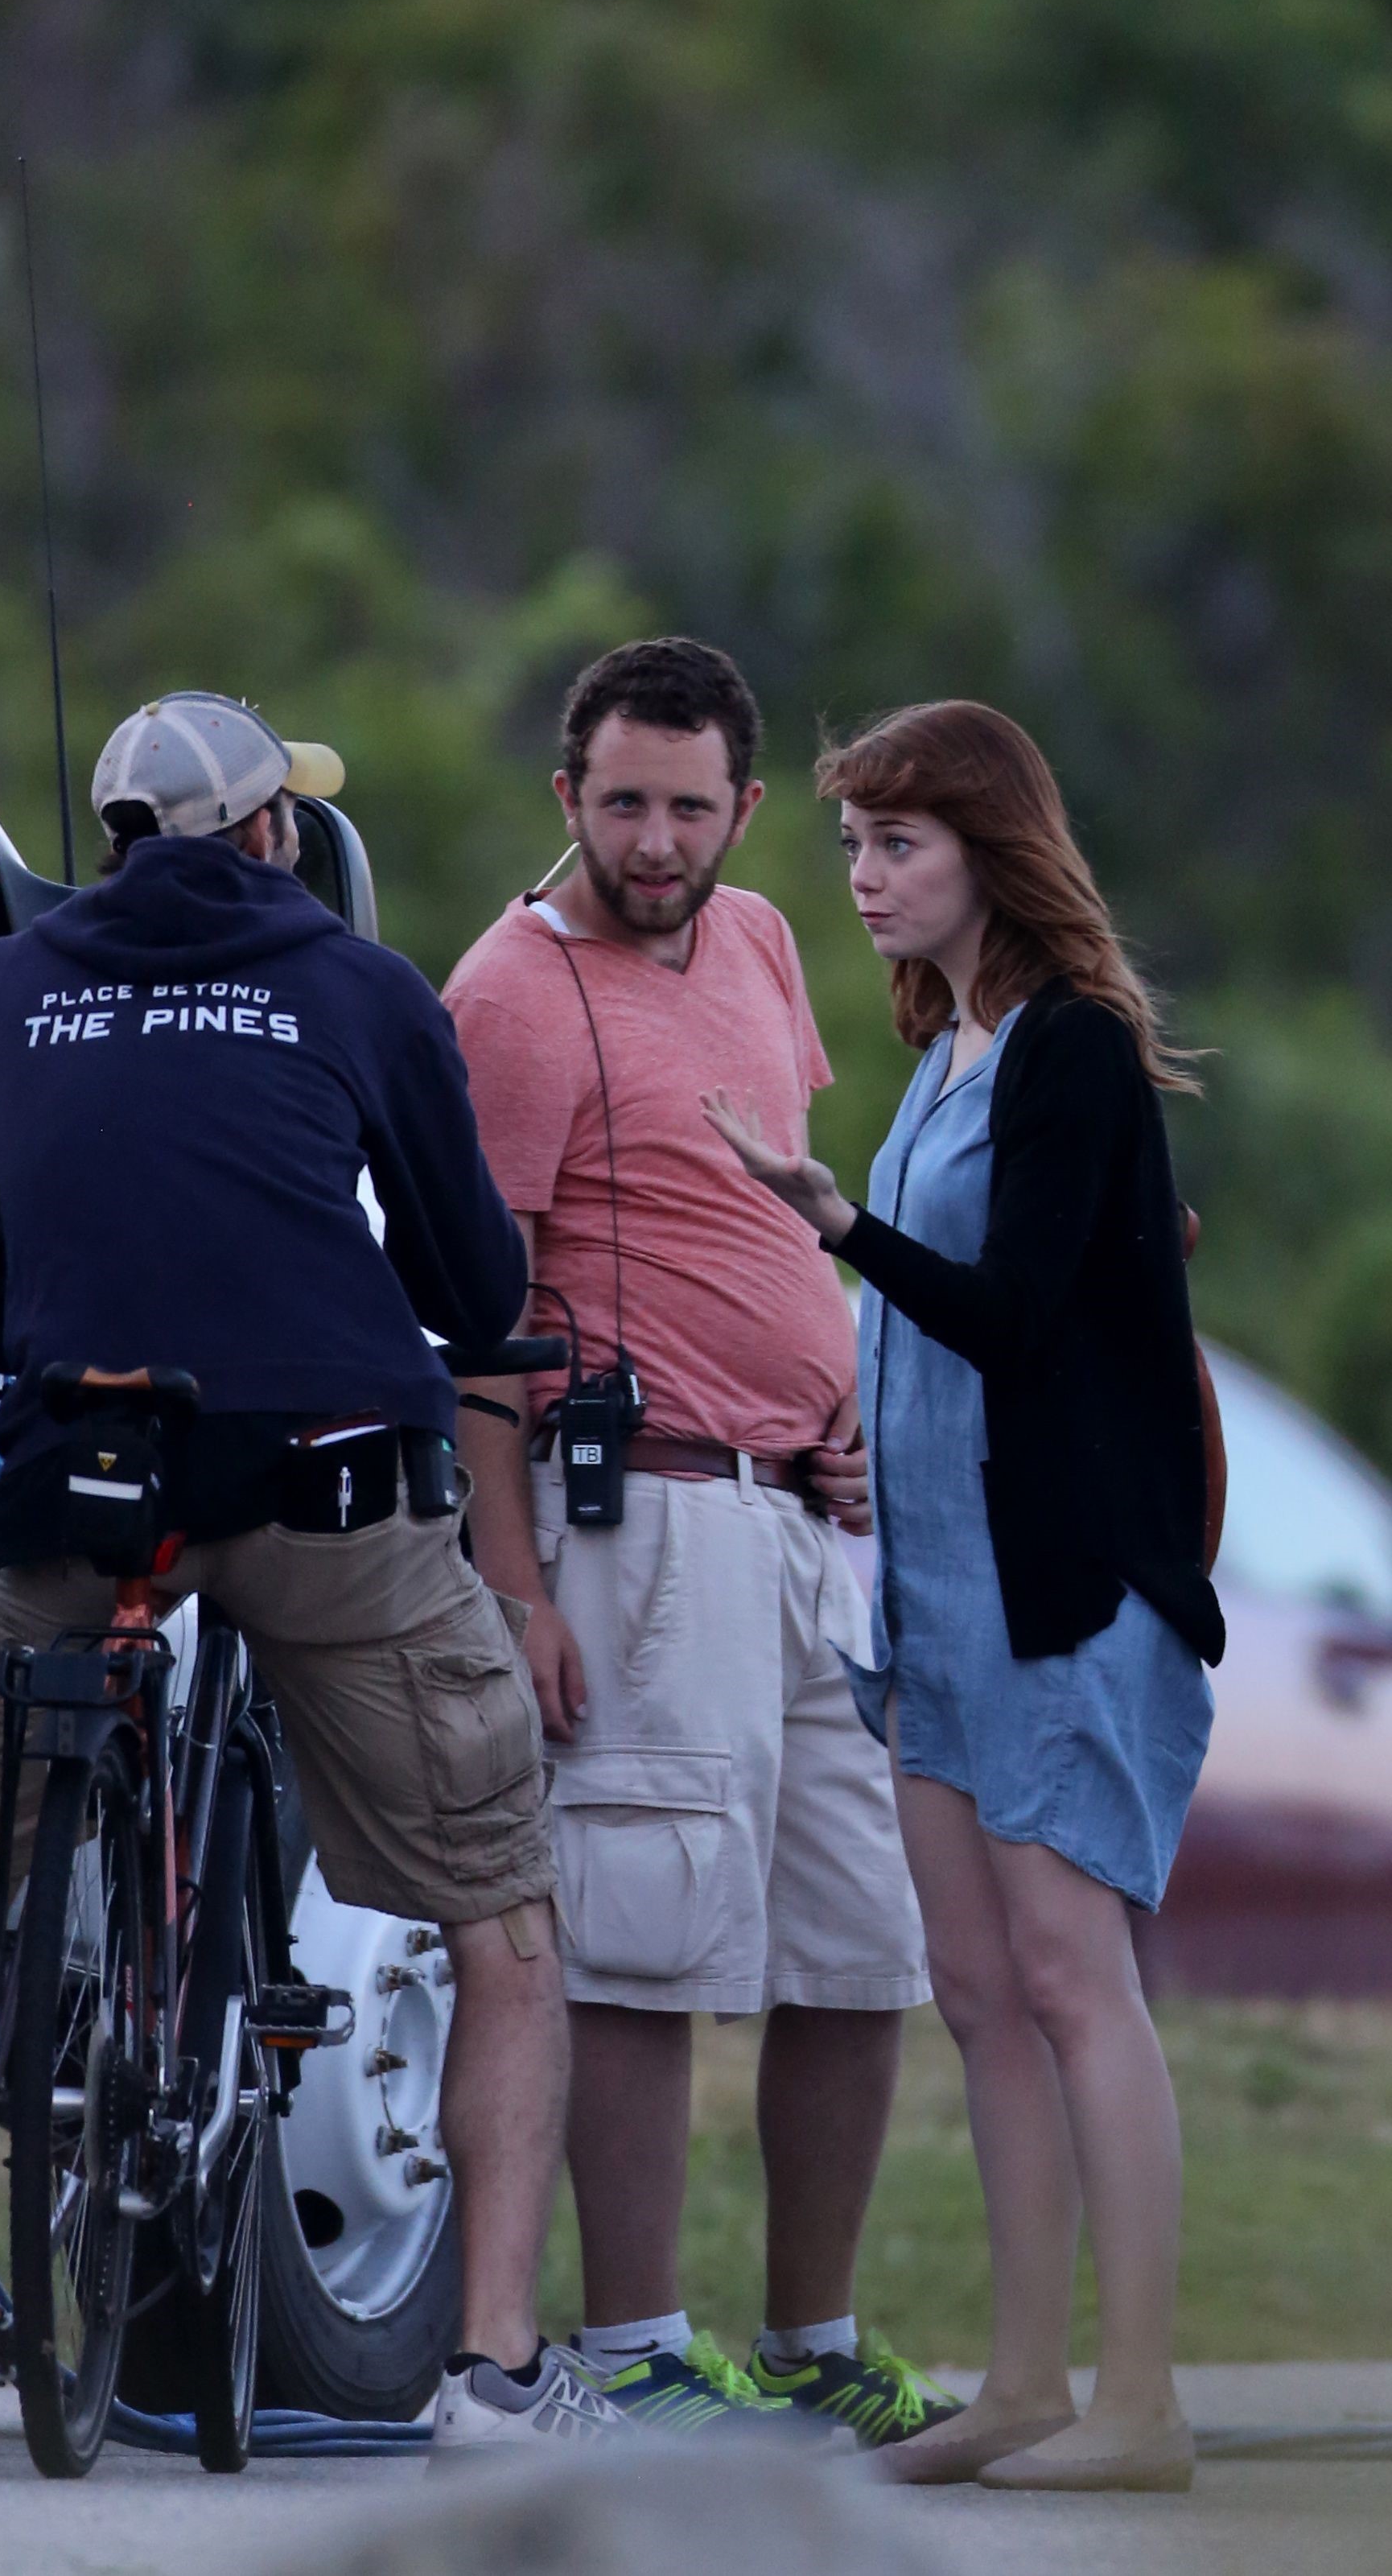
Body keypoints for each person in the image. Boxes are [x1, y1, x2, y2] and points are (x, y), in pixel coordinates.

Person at [0, 690, 624, 2467]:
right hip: (328, 1498)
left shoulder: (0, 991)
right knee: (500, 1911)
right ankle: (490, 2373)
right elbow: (475, 1287)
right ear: (271, 834)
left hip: (88, 1497)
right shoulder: (361, 987)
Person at [704, 699, 1222, 2495]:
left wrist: (836, 1224)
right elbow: (941, 1347)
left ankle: (1140, 2401)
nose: (864, 875)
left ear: (989, 851)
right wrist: (865, 1430)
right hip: (931, 1602)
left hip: (1062, 1592)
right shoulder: (944, 1052)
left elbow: (1014, 1317)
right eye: (853, 843)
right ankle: (1022, 2388)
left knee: (1078, 1982)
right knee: (982, 1993)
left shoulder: (1070, 1046)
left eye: (899, 843)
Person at [443, 639, 956, 2445]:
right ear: (566, 796)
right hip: (639, 1521)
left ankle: (811, 2339)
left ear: (743, 809)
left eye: (687, 807)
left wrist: (844, 1406)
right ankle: (636, 2345)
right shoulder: (510, 995)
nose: (654, 843)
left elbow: (777, 1216)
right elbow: (482, 1323)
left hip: (800, 1524)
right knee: (640, 1935)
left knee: (862, 1943)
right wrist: (515, 1589)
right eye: (621, 804)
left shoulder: (757, 941)